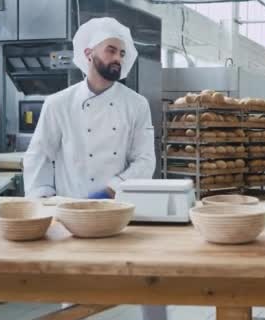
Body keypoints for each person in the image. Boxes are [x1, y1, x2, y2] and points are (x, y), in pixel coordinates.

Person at [23, 17, 165, 320]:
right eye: (111, 50)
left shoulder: (136, 104)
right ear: (89, 55)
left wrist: (111, 188)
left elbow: (145, 160)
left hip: (122, 214)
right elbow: (38, 156)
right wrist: (43, 202)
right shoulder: (58, 104)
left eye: (122, 54)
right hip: (72, 220)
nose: (117, 59)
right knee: (76, 300)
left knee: (135, 292)